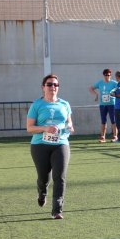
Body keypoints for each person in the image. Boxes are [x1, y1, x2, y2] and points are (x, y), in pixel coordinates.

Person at [26, 74, 74, 220]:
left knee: (59, 177)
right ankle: (42, 192)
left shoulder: (65, 104)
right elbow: (29, 128)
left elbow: (70, 123)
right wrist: (46, 128)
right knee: (43, 177)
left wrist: (69, 127)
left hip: (61, 144)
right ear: (43, 87)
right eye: (50, 84)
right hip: (40, 145)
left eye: (55, 85)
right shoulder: (37, 105)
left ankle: (57, 210)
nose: (53, 87)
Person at [89, 68, 118, 142]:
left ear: (110, 75)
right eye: (106, 75)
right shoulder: (100, 83)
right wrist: (96, 95)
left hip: (112, 104)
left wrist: (115, 94)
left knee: (113, 120)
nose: (107, 77)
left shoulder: (114, 83)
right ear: (103, 75)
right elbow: (91, 88)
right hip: (103, 104)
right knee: (103, 121)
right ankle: (103, 137)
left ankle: (115, 136)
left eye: (109, 75)